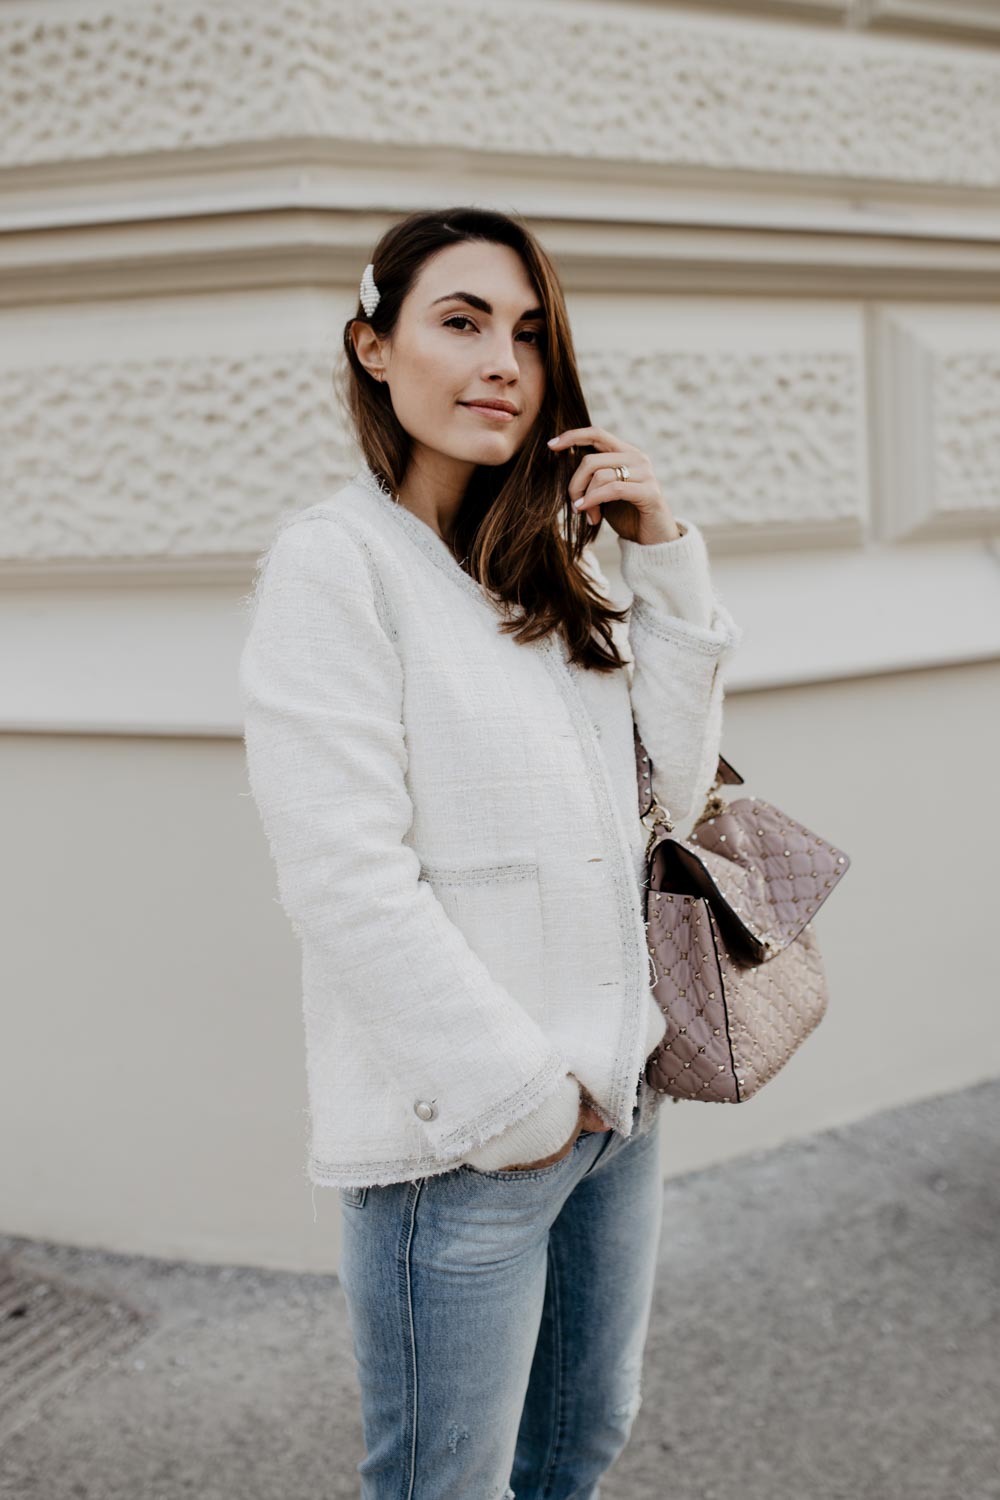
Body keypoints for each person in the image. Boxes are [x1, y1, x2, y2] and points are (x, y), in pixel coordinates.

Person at [238, 205, 743, 1499]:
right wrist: (516, 1102)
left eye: (527, 331)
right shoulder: (335, 566)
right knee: (440, 1486)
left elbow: (672, 798)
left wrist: (663, 559)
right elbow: (342, 875)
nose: (502, 361)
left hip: (615, 1110)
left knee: (576, 1447)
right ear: (373, 345)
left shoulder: (547, 569)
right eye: (459, 323)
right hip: (463, 1138)